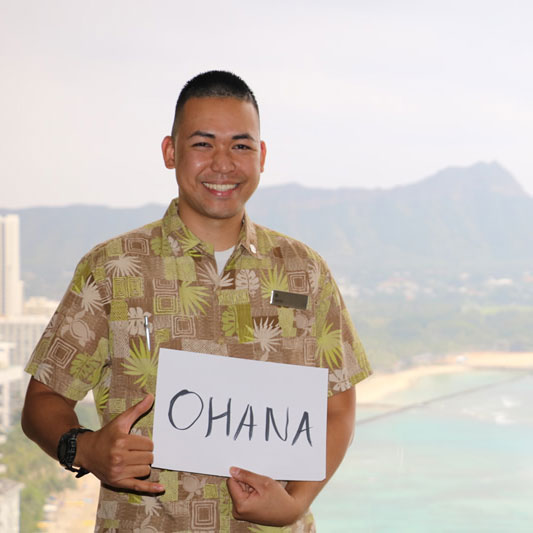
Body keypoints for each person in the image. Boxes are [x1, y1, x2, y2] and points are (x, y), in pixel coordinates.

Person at [22, 71, 372, 532]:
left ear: (261, 157)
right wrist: (83, 448)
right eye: (203, 144)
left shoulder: (304, 271)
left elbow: (338, 404)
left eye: (241, 145)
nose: (223, 163)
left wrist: (295, 503)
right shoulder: (112, 268)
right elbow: (43, 399)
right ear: (171, 152)